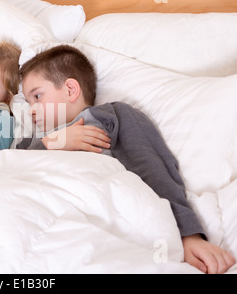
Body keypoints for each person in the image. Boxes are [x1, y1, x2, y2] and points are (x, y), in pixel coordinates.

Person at [16, 44, 235, 274]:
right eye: (29, 102)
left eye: (37, 96)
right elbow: (9, 168)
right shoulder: (32, 141)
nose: (31, 109)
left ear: (71, 89)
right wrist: (53, 142)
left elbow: (152, 168)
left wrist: (189, 235)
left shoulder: (111, 115)